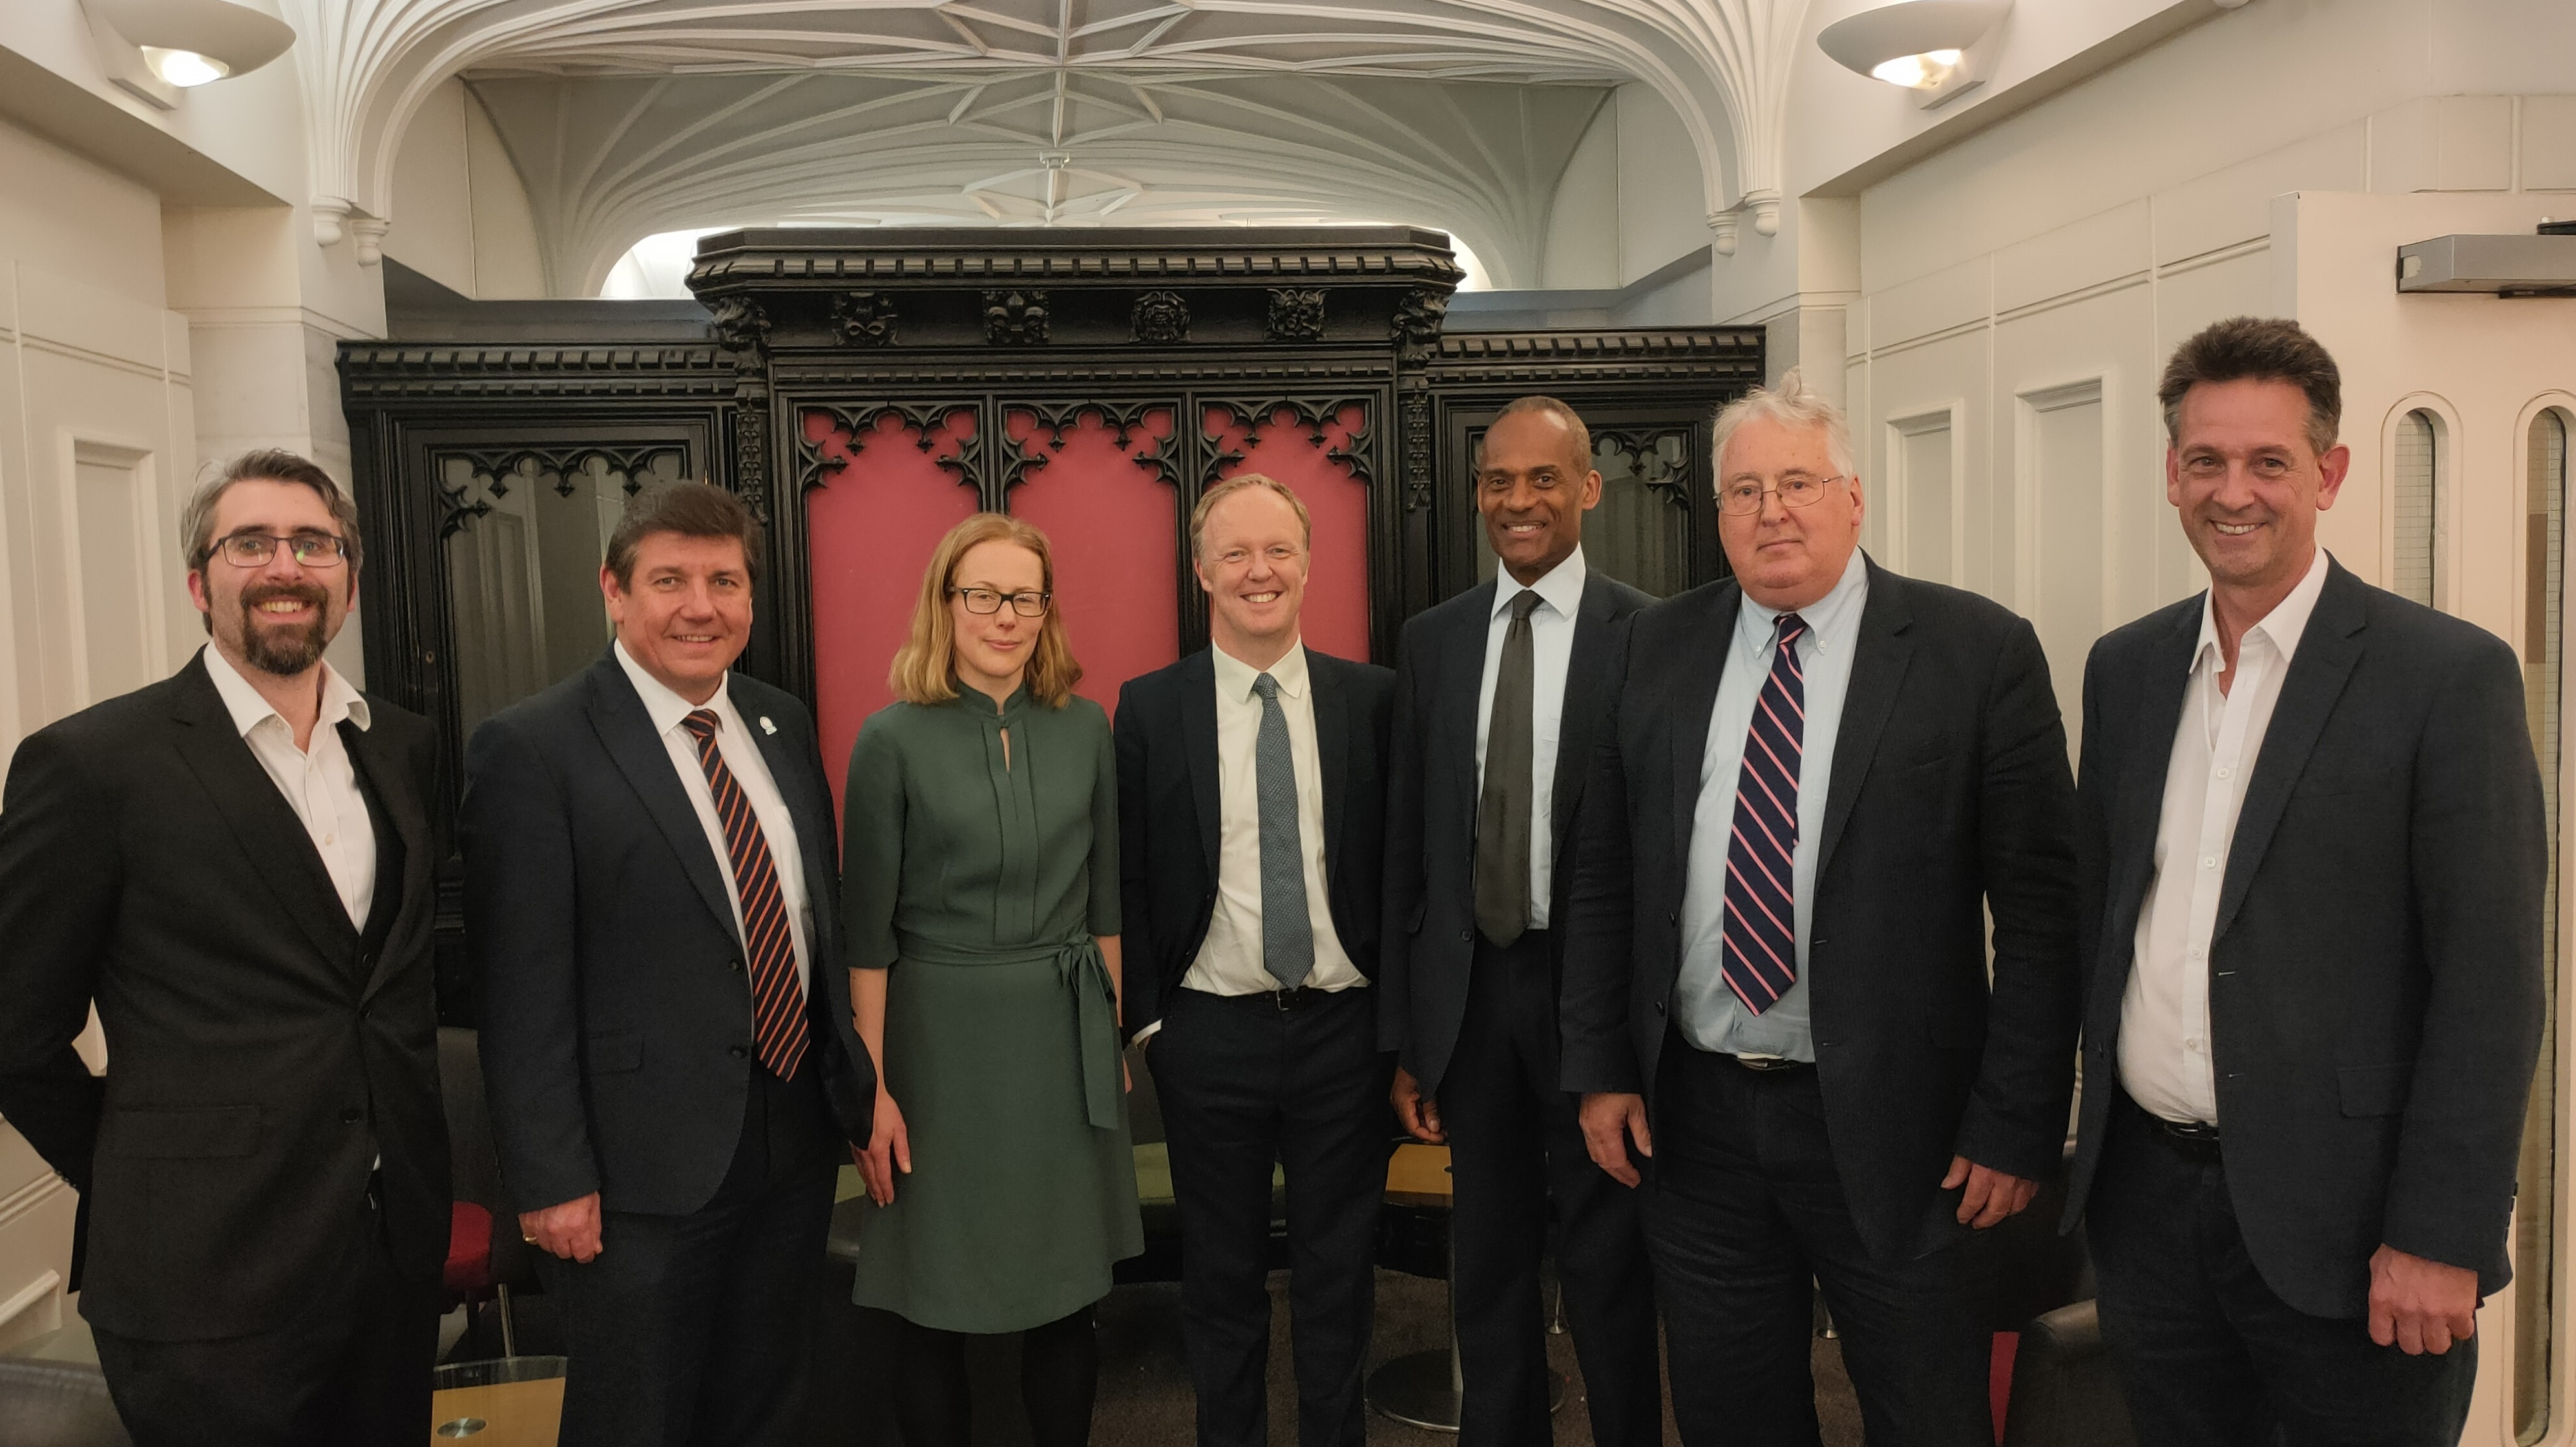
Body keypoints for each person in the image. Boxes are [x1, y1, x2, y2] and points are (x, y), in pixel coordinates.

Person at [1562, 368, 2082, 1446]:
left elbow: (2043, 914)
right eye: (1746, 491)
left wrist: (2017, 1122)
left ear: (1854, 497)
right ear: (1719, 516)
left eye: (1798, 482)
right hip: (1698, 1124)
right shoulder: (1651, 649)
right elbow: (1607, 874)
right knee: (1732, 1415)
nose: (1773, 510)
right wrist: (1603, 1066)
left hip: (1906, 1132)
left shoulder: (1974, 653)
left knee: (1926, 1413)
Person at [2062, 317, 2545, 1446]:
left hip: (2361, 1234)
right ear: (2171, 476)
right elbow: (2101, 923)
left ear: (2327, 474)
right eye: (2207, 461)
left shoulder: (2445, 676)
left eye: (2269, 462)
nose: (2236, 491)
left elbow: (2491, 981)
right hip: (2152, 1216)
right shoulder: (2127, 669)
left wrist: (2442, 1233)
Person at [0, 450, 447, 1446]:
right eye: (251, 543)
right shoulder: (91, 766)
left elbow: (379, 990)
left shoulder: (401, 746)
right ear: (200, 582)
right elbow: (14, 1034)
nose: (286, 565)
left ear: (349, 579)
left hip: (389, 1255)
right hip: (201, 1278)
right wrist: (145, 1172)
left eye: (314, 544)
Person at [462, 481, 875, 1447]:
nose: (701, 605)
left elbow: (816, 924)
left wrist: (848, 1091)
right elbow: (520, 989)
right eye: (670, 580)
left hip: (787, 1138)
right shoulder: (535, 747)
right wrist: (550, 1178)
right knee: (636, 1417)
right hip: (633, 1171)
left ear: (751, 600)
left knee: (767, 1402)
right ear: (613, 590)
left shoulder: (780, 722)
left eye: (724, 581)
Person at [1379, 397, 1662, 1446]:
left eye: (1542, 478)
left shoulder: (1649, 634)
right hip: (1472, 995)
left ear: (1589, 487)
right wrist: (1413, 1038)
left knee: (1606, 1261)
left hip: (1594, 995)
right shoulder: (1435, 640)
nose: (1517, 500)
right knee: (1486, 1265)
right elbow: (1411, 850)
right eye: (1498, 480)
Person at [842, 512, 1140, 1447]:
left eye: (1025, 596)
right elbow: (867, 935)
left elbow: (1105, 908)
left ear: (1046, 610)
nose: (1005, 616)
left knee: (1066, 1293)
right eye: (984, 595)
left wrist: (1114, 1039)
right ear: (947, 604)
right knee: (935, 1298)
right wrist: (873, 1087)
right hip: (937, 1048)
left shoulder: (1086, 726)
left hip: (1062, 1038)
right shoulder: (888, 739)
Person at [1115, 474, 1397, 1447]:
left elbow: (1403, 875)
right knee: (1221, 1281)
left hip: (1344, 1036)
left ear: (1310, 564)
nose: (1259, 571)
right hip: (1210, 1037)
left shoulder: (1374, 701)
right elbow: (1133, 877)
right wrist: (1152, 1027)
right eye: (1235, 553)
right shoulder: (1151, 708)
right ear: (1202, 571)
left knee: (1338, 1276)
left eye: (1278, 550)